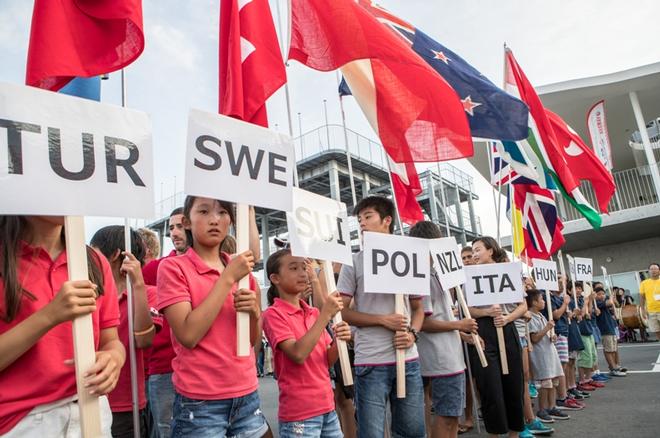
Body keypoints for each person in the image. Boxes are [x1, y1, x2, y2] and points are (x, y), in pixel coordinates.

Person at [157, 196, 271, 437]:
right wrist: (227, 278)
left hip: (247, 393)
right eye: (204, 211)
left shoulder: (243, 273)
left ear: (230, 220)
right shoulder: (173, 268)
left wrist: (253, 313)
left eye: (222, 213)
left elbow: (252, 342)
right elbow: (188, 335)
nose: (214, 220)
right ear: (187, 221)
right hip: (200, 402)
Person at [0, 215, 125, 437]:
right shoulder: (5, 258)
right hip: (22, 421)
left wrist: (113, 359)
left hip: (91, 409)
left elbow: (111, 340)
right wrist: (50, 316)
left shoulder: (94, 260)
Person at [337, 196, 426, 438]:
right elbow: (342, 312)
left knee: (412, 432)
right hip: (370, 361)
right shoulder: (353, 261)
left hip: (407, 360)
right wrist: (382, 320)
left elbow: (418, 309)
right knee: (371, 433)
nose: (362, 223)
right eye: (359, 219)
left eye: (368, 217)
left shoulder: (409, 256)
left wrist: (412, 335)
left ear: (386, 220)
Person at [262, 249, 351, 437]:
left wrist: (339, 341)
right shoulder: (273, 315)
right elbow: (298, 354)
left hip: (327, 407)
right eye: (293, 268)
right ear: (275, 278)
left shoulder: (313, 313)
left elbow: (326, 359)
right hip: (300, 414)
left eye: (304, 267)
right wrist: (325, 315)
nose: (302, 273)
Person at [409, 221, 479, 438]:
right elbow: (424, 323)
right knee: (445, 416)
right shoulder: (423, 276)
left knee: (450, 417)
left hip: (450, 355)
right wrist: (459, 325)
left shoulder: (439, 275)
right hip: (440, 359)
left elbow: (441, 316)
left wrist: (462, 334)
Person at [91, 226, 161, 437]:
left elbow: (144, 340)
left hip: (127, 402)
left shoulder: (148, 293)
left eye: (94, 251)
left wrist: (138, 285)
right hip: (92, 400)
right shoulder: (88, 294)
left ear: (113, 255)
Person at [467, 237, 528, 438]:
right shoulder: (470, 276)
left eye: (478, 250)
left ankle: (514, 434)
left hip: (508, 331)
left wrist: (507, 317)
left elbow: (523, 306)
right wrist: (487, 313)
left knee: (514, 385)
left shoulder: (509, 271)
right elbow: (468, 310)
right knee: (489, 388)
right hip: (484, 333)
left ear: (491, 250)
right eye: (472, 251)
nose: (474, 255)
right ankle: (494, 433)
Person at [142, 208, 187, 438]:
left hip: (198, 367)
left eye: (180, 226)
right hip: (164, 366)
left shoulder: (214, 267)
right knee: (167, 430)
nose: (175, 232)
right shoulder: (154, 268)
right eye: (171, 227)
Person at [526, 290, 568, 423]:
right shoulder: (530, 317)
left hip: (549, 351)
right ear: (533, 302)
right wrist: (547, 328)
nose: (544, 301)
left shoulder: (541, 315)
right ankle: (542, 409)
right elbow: (534, 338)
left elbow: (544, 335)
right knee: (545, 382)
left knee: (554, 380)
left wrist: (552, 335)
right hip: (540, 354)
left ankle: (552, 406)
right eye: (541, 299)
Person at [547, 275, 584, 411]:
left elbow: (563, 315)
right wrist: (565, 304)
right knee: (561, 367)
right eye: (558, 279)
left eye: (563, 280)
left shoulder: (557, 297)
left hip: (564, 331)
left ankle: (563, 395)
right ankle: (561, 397)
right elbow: (556, 315)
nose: (562, 283)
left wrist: (570, 313)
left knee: (564, 364)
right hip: (558, 332)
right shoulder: (549, 296)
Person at [594, 287, 626, 376]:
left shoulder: (605, 302)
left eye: (603, 294)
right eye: (599, 294)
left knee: (613, 349)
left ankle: (615, 366)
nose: (602, 296)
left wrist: (613, 299)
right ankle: (613, 368)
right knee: (608, 350)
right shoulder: (597, 303)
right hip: (605, 329)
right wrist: (611, 298)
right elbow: (610, 302)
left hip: (611, 327)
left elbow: (615, 304)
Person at [639, 262, 660, 340]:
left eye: (655, 269)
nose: (653, 271)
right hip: (651, 311)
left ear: (659, 271)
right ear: (649, 271)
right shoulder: (644, 283)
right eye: (651, 269)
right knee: (656, 330)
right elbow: (642, 298)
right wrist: (643, 310)